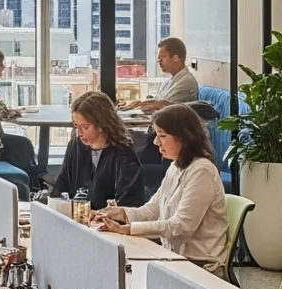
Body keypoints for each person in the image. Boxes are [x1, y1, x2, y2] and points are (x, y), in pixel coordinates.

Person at [97, 104, 229, 271]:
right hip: (174, 258)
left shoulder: (202, 171)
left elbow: (181, 226)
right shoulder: (175, 167)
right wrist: (120, 213)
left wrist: (129, 229)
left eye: (162, 135)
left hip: (201, 266)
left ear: (184, 137)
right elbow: (152, 210)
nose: (155, 141)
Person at [55, 91, 143, 209]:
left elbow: (128, 205)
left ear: (101, 124)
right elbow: (61, 186)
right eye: (76, 126)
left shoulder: (124, 155)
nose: (78, 133)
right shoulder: (75, 146)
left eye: (85, 127)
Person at [153, 37, 200, 106]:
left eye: (162, 58)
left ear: (175, 58)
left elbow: (164, 107)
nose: (159, 62)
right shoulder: (168, 80)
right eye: (158, 59)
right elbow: (157, 101)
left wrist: (149, 104)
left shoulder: (187, 81)